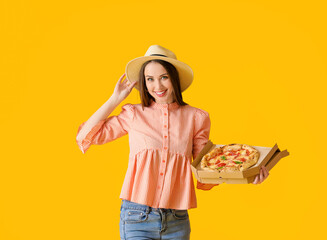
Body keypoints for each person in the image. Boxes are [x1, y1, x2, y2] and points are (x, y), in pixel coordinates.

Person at [76, 45, 269, 239]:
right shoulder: (134, 114)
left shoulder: (196, 117)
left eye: (164, 77)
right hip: (136, 217)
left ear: (174, 78)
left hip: (177, 220)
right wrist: (114, 99)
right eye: (150, 79)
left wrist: (247, 176)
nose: (157, 86)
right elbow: (85, 137)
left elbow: (206, 169)